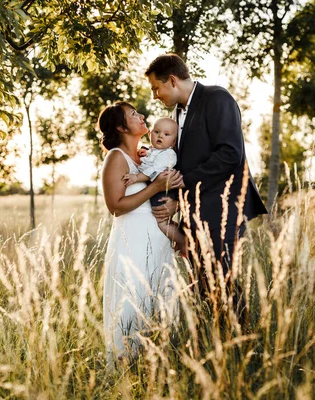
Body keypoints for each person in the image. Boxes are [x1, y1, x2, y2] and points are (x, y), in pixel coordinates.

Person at [145, 54, 267, 322]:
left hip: (223, 207)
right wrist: (175, 198)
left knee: (223, 280)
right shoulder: (176, 113)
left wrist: (185, 183)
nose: (155, 95)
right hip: (196, 210)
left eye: (157, 88)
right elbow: (182, 163)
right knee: (202, 282)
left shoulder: (217, 98)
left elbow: (229, 154)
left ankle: (243, 345)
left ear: (173, 80)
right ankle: (215, 345)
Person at [98, 101, 181, 360]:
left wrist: (173, 201)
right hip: (131, 245)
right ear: (122, 127)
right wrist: (155, 187)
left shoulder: (148, 155)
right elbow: (115, 206)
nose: (141, 115)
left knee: (160, 304)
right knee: (132, 306)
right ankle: (126, 370)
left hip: (157, 242)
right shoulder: (116, 158)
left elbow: (164, 189)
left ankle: (156, 365)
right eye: (134, 114)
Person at [121, 117, 185, 252]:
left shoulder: (168, 155)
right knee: (163, 221)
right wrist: (143, 153)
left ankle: (183, 242)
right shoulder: (154, 151)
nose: (160, 135)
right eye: (157, 132)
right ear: (150, 135)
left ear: (173, 142)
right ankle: (176, 231)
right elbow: (148, 158)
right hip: (157, 190)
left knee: (162, 223)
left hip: (163, 192)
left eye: (166, 134)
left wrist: (136, 177)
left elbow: (153, 171)